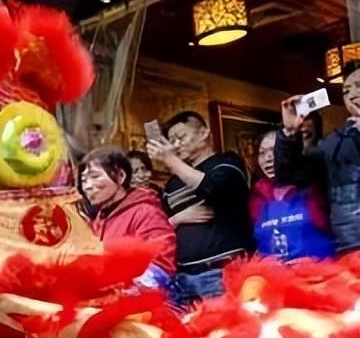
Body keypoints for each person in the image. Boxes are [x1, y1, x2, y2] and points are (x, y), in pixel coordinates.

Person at [148, 111, 250, 304]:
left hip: (222, 272)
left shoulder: (227, 163)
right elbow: (160, 225)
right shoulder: (172, 183)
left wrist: (171, 160)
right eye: (172, 141)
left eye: (181, 137)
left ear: (204, 133)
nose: (176, 145)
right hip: (182, 277)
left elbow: (214, 189)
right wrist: (179, 218)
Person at [277, 65, 360, 255]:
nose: (352, 95)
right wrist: (289, 133)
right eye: (346, 91)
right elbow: (289, 176)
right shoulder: (333, 143)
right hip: (350, 248)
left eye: (358, 86)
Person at [80, 147, 176, 290]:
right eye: (84, 180)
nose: (88, 186)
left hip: (141, 307)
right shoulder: (100, 218)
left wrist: (124, 292)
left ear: (120, 176)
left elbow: (162, 265)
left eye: (95, 177)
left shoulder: (145, 212)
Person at [250, 129, 334, 261]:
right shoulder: (257, 198)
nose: (268, 158)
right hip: (276, 277)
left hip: (320, 275)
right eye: (262, 153)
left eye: (273, 150)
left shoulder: (315, 186)